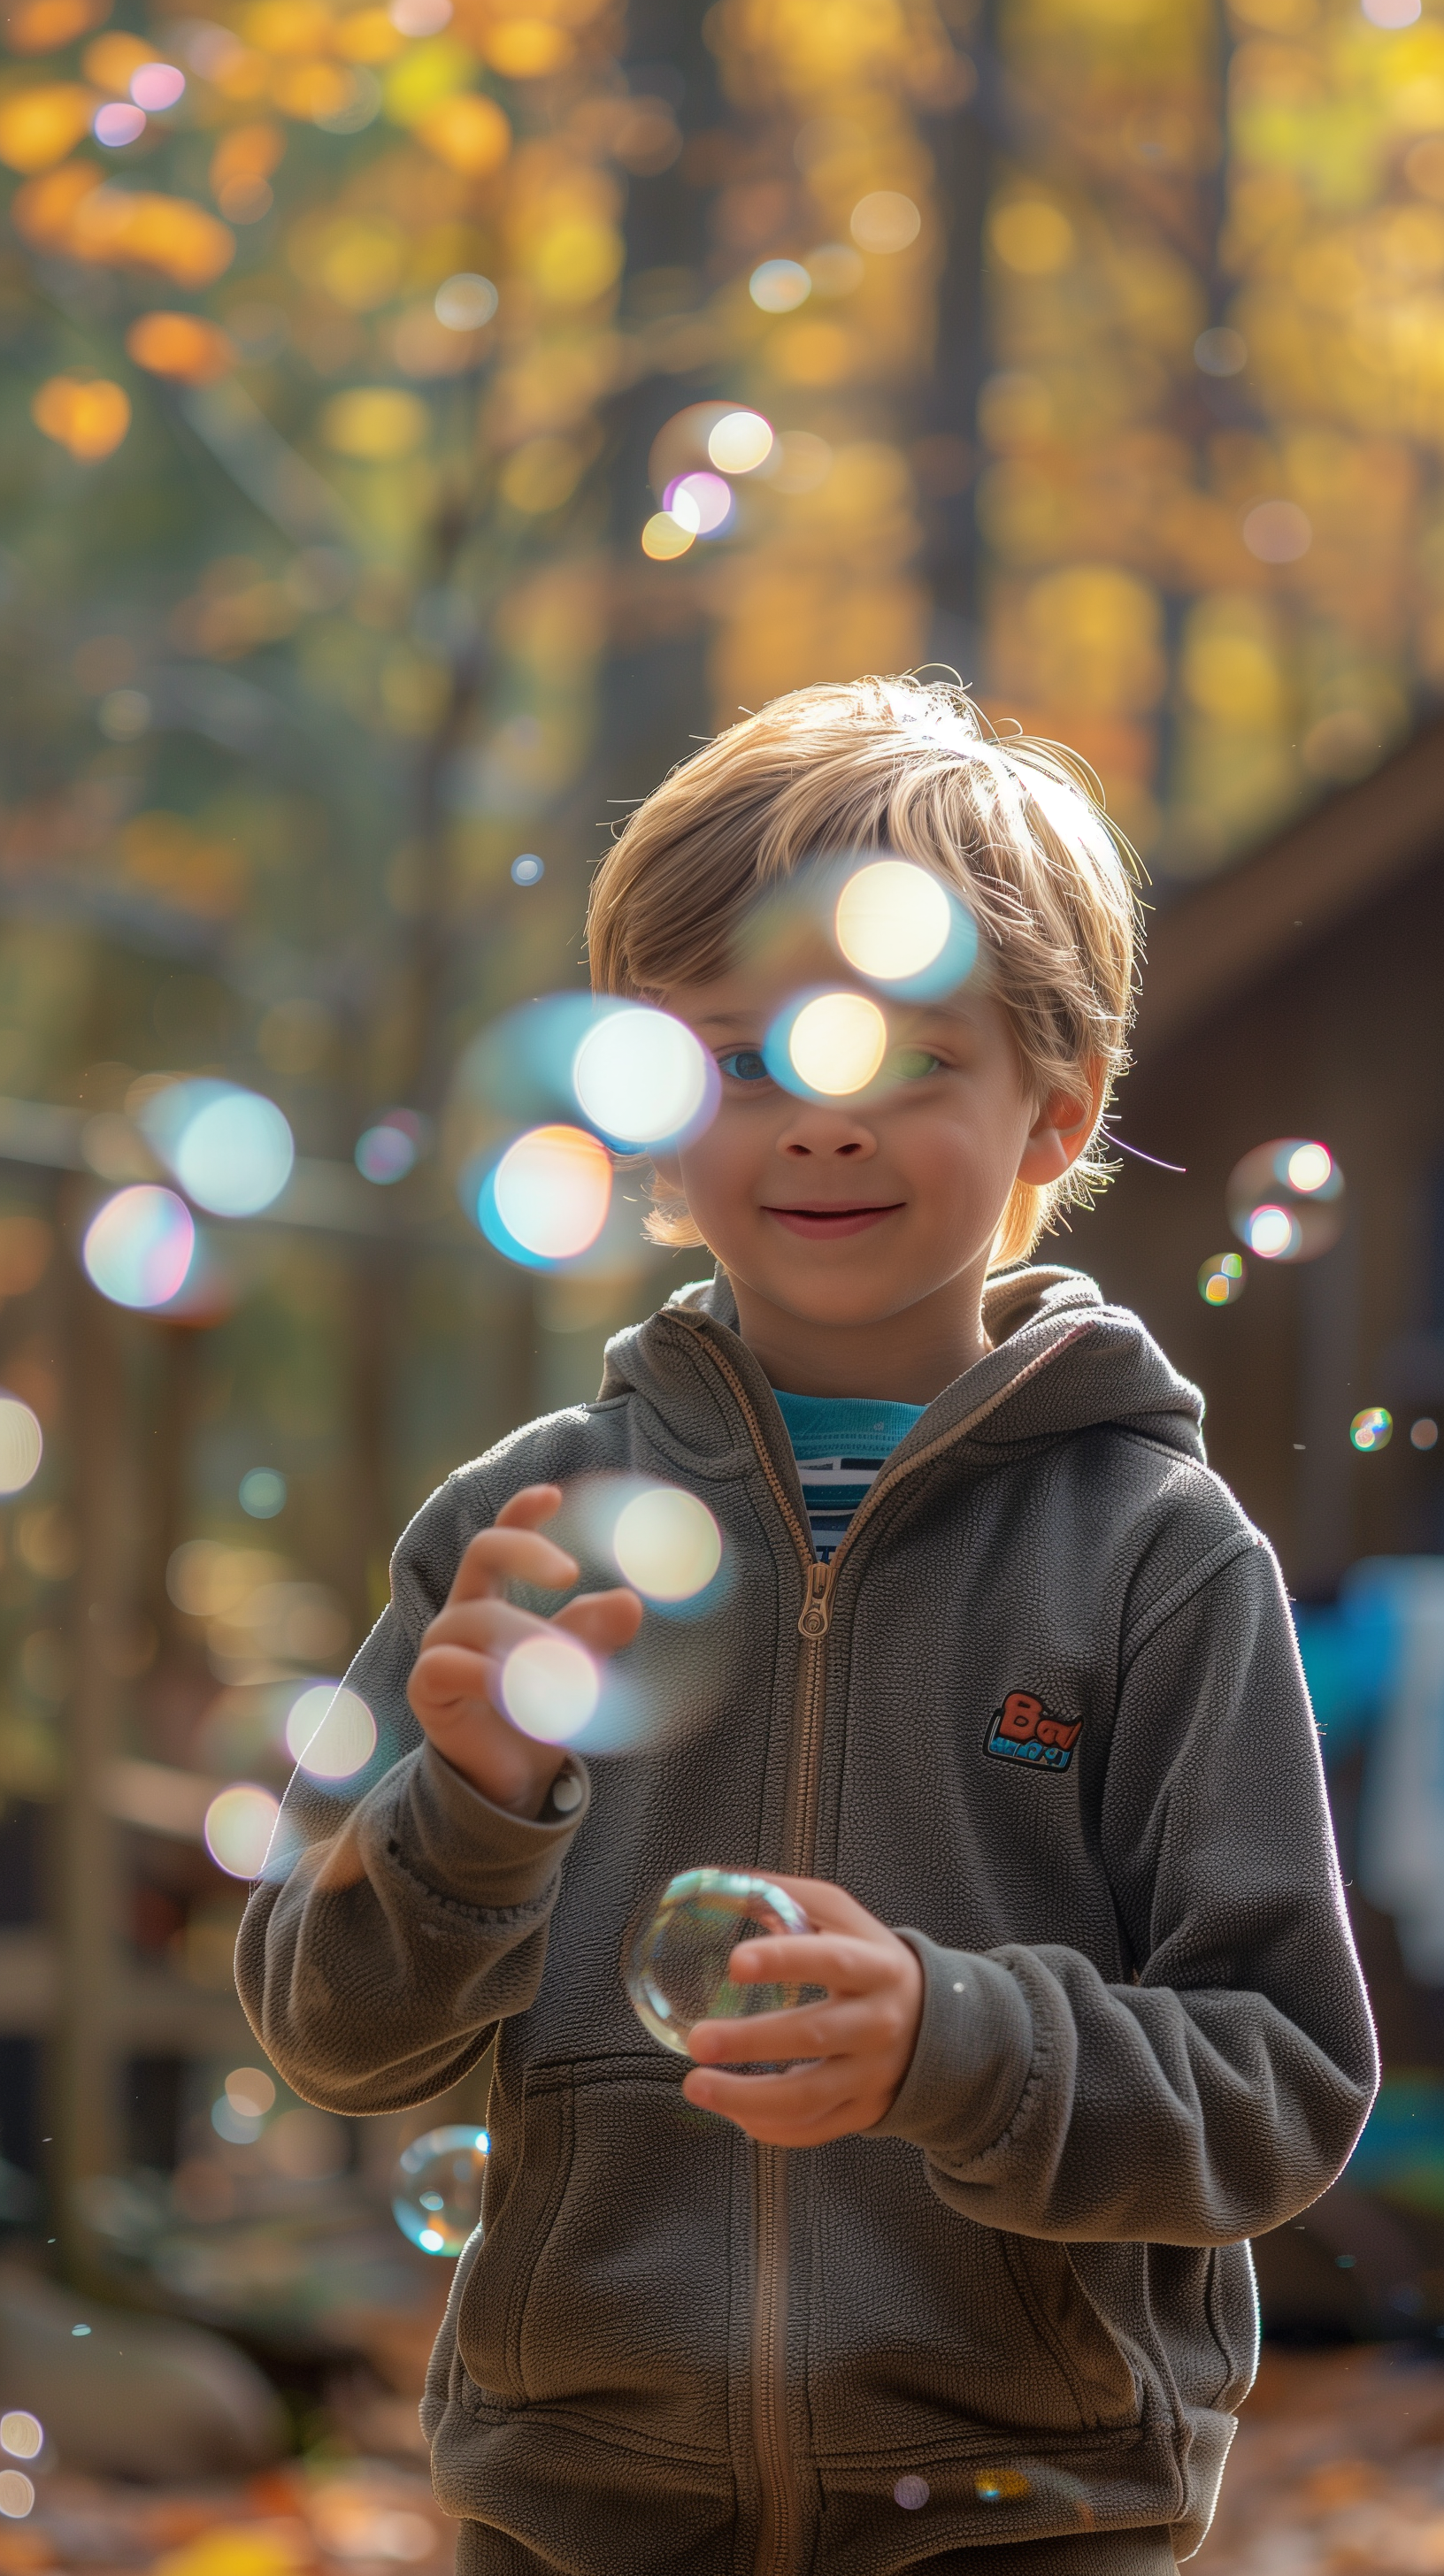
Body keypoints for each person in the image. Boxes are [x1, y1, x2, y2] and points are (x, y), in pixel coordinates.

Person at [237, 675, 1377, 2576]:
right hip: (578, 2511)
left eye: (903, 1058)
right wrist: (473, 1810)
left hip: (1029, 2517)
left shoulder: (1157, 1554)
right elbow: (329, 2035)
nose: (822, 1128)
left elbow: (1284, 2086)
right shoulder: (522, 1539)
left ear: (1056, 1106)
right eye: (746, 1063)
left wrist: (957, 2042)